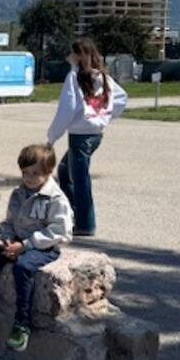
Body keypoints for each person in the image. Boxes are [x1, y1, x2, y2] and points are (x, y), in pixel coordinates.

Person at [0, 143, 73, 352]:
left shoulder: (55, 199)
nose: (29, 178)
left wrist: (26, 245)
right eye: (25, 173)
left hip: (42, 246)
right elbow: (8, 222)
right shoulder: (19, 194)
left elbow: (59, 231)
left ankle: (22, 324)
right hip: (16, 241)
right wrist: (7, 239)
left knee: (22, 268)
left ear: (48, 172)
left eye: (35, 173)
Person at [46, 37, 128, 236]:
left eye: (73, 53)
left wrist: (52, 137)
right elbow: (121, 98)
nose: (70, 57)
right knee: (65, 170)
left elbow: (67, 108)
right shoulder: (103, 77)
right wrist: (104, 117)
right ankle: (72, 212)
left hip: (80, 136)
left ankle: (85, 223)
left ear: (79, 55)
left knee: (80, 179)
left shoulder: (74, 77)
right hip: (95, 134)